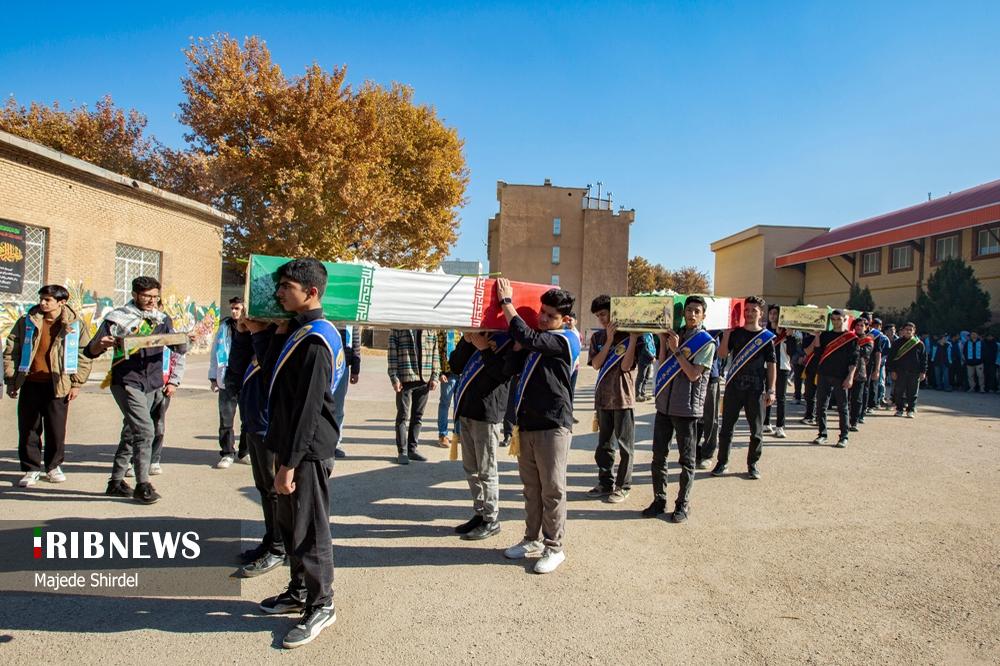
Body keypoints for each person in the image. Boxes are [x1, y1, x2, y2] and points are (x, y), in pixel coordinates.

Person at [256, 258, 345, 649]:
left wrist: (289, 464)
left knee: (310, 529)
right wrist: (268, 333)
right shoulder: (298, 331)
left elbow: (309, 410)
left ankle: (322, 604)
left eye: (286, 287)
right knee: (291, 525)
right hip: (291, 444)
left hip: (306, 451)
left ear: (311, 292)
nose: (278, 293)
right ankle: (299, 590)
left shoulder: (316, 341)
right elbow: (273, 375)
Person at [497, 279, 579, 575]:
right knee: (531, 489)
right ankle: (531, 539)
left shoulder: (565, 340)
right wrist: (517, 348)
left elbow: (527, 335)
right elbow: (509, 369)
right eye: (541, 312)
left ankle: (554, 547)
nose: (543, 318)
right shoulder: (537, 340)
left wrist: (507, 303)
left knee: (552, 490)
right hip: (528, 424)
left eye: (551, 315)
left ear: (565, 319)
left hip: (553, 425)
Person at [84, 276, 187, 504]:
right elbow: (90, 351)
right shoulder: (117, 319)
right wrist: (102, 344)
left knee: (132, 432)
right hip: (127, 381)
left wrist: (185, 339)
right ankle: (143, 485)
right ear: (134, 295)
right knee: (145, 431)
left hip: (153, 383)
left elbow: (178, 348)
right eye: (147, 296)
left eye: (155, 297)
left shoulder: (162, 319)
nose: (151, 301)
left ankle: (115, 482)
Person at [3, 285, 93, 487]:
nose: (42, 303)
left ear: (61, 302)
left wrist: (77, 383)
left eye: (48, 300)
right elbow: (12, 350)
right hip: (30, 383)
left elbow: (84, 355)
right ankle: (31, 469)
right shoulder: (27, 322)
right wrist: (11, 379)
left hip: (58, 385)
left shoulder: (75, 325)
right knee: (29, 429)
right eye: (41, 299)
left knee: (56, 430)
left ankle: (53, 467)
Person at [643, 296, 716, 522]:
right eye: (688, 310)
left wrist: (676, 350)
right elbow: (663, 365)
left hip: (687, 408)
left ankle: (682, 504)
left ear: (703, 315)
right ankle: (659, 500)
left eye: (696, 311)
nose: (691, 314)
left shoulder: (706, 342)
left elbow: (694, 374)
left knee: (686, 460)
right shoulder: (676, 335)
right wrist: (663, 341)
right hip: (665, 405)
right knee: (658, 456)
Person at [449, 330, 514, 541]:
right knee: (471, 469)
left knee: (487, 470)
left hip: (487, 412)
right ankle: (479, 513)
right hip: (467, 409)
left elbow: (502, 373)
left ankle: (491, 518)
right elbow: (455, 366)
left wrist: (485, 349)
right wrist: (467, 341)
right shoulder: (475, 335)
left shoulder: (507, 339)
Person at [235, 316, 286, 578]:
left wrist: (258, 333)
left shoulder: (281, 335)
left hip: (269, 425)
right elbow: (235, 370)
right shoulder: (257, 337)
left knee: (274, 490)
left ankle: (279, 547)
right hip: (253, 421)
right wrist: (243, 334)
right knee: (264, 488)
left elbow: (271, 371)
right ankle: (271, 539)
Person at [712, 296, 776, 480]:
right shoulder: (736, 333)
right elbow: (722, 354)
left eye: (753, 310)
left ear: (761, 313)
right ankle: (722, 462)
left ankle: (752, 464)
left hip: (756, 388)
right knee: (726, 428)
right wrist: (727, 334)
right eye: (746, 310)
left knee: (756, 431)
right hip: (734, 386)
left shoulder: (766, 338)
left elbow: (771, 365)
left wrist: (771, 390)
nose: (749, 313)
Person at [586, 295, 638, 504]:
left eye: (604, 314)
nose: (601, 319)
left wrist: (633, 339)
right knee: (604, 446)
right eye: (598, 316)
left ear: (614, 312)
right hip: (603, 398)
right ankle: (605, 482)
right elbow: (596, 364)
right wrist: (608, 340)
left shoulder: (630, 336)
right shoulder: (597, 338)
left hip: (623, 398)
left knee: (625, 446)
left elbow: (626, 366)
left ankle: (623, 486)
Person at [209, 296, 254, 468]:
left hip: (247, 378)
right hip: (228, 377)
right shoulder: (224, 327)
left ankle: (245, 451)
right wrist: (213, 377)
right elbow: (215, 352)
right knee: (226, 418)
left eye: (238, 308)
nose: (234, 312)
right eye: (232, 308)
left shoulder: (253, 327)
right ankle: (227, 453)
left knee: (247, 418)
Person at [807, 310, 859, 448]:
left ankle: (844, 436)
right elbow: (817, 353)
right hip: (824, 373)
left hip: (841, 376)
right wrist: (817, 336)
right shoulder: (825, 335)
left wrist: (850, 377)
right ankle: (822, 434)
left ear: (844, 319)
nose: (836, 322)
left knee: (842, 407)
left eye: (838, 319)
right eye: (833, 319)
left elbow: (854, 360)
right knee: (821, 406)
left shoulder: (851, 338)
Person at [387, 329, 440, 464]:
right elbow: (392, 355)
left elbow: (435, 353)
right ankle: (402, 451)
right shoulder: (399, 328)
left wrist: (435, 376)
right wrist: (394, 378)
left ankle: (412, 449)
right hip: (405, 378)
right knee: (402, 416)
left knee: (418, 416)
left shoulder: (430, 328)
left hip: (424, 379)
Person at [762, 305, 795, 439]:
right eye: (771, 313)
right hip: (767, 367)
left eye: (775, 313)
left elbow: (792, 352)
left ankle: (780, 426)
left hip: (782, 367)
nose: (773, 316)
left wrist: (790, 337)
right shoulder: (765, 332)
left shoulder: (787, 333)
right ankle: (766, 423)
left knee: (781, 398)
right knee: (767, 394)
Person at [331, 325, 361, 458]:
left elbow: (356, 341)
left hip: (343, 365)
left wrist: (355, 368)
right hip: (325, 360)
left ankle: (336, 443)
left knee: (338, 407)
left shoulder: (351, 318)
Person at [695, 331, 723, 470]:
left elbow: (720, 353)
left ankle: (707, 454)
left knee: (710, 418)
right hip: (690, 375)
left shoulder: (716, 329)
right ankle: (693, 451)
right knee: (692, 416)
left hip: (711, 376)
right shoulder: (686, 329)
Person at [888, 322, 928, 418]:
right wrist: (892, 370)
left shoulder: (919, 344)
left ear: (914, 331)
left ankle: (910, 410)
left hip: (914, 372)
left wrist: (923, 372)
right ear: (903, 330)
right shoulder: (897, 343)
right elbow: (891, 358)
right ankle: (899, 409)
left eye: (911, 330)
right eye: (907, 329)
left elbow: (924, 359)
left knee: (912, 392)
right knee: (899, 392)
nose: (908, 331)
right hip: (900, 371)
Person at [848, 317, 874, 431]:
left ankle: (854, 422)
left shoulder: (868, 340)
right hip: (845, 371)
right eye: (857, 325)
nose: (859, 327)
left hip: (859, 372)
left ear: (866, 327)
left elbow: (865, 352)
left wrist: (852, 346)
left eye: (861, 325)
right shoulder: (849, 337)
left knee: (857, 398)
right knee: (844, 398)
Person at [436, 329, 460, 448]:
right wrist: (440, 372)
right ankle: (443, 435)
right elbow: (437, 351)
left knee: (460, 404)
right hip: (448, 374)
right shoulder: (442, 329)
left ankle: (458, 433)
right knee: (445, 404)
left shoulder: (462, 329)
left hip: (463, 373)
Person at [634, 332, 656, 402]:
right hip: (643, 359)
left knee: (646, 377)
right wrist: (652, 357)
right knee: (641, 377)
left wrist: (654, 355)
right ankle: (637, 395)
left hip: (649, 359)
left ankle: (643, 393)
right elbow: (644, 349)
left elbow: (651, 345)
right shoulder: (643, 335)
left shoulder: (650, 334)